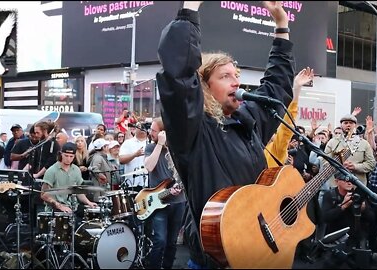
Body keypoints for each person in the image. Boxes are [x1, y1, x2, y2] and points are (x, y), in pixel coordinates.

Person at [156, 1, 296, 268]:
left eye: (237, 75)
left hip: (257, 251)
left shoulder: (248, 122)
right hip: (215, 259)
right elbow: (179, 76)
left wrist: (281, 26)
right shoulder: (193, 130)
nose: (236, 82)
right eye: (225, 76)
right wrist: (189, 11)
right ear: (204, 88)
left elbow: (276, 89)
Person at [143, 117, 186, 269]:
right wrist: (160, 144)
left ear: (164, 132)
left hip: (178, 200)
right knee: (160, 240)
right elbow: (149, 167)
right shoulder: (150, 147)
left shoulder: (178, 149)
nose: (150, 132)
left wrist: (180, 187)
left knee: (172, 241)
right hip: (158, 201)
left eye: (154, 130)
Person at [321, 171, 375, 268]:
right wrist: (343, 206)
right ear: (337, 181)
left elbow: (372, 218)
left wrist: (364, 209)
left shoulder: (359, 195)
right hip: (336, 240)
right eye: (345, 180)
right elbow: (325, 218)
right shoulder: (330, 195)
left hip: (355, 239)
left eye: (351, 180)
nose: (349, 182)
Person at [40, 142, 97, 213]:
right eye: (66, 156)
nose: (68, 159)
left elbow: (78, 191)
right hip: (54, 211)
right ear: (61, 154)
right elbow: (43, 195)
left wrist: (88, 202)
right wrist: (59, 206)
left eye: (71, 156)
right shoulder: (52, 171)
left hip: (69, 208)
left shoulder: (76, 170)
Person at [324, 114, 375, 187]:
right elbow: (325, 162)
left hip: (358, 186)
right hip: (336, 186)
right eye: (345, 123)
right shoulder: (332, 142)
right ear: (341, 125)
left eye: (351, 123)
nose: (348, 125)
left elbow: (371, 164)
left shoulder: (364, 143)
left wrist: (355, 167)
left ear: (355, 125)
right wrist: (339, 166)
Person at [119, 123, 148, 190]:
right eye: (140, 127)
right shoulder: (128, 143)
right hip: (132, 183)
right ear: (135, 129)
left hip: (148, 183)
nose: (142, 129)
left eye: (144, 127)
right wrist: (135, 155)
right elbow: (121, 160)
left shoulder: (151, 143)